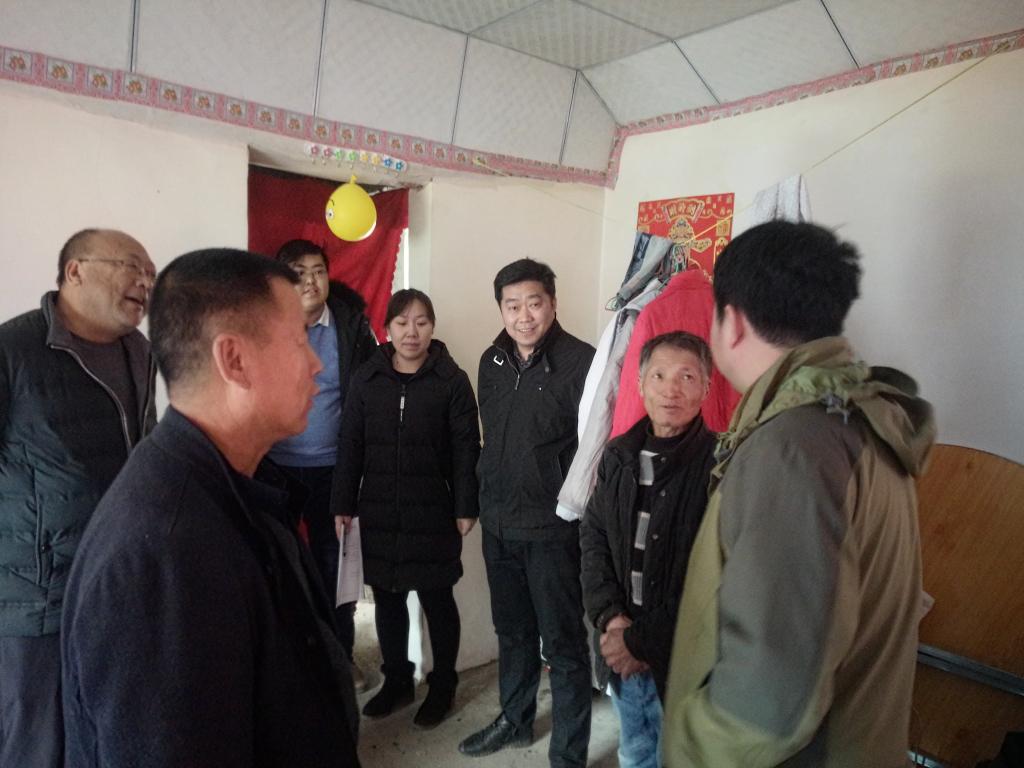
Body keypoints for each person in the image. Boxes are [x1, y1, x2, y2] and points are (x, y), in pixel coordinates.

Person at [61, 249, 360, 767]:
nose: (316, 364)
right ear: (234, 360)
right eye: (297, 341)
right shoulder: (165, 554)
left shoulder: (233, 487)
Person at [663, 221, 936, 767]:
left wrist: (685, 749)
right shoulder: (860, 419)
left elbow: (766, 704)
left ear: (733, 322)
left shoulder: (794, 448)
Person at [0, 228, 157, 768]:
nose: (145, 282)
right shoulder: (13, 350)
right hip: (36, 598)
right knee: (35, 742)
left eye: (151, 274)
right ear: (75, 271)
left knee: (101, 731)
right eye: (132, 266)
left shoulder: (139, 351)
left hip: (114, 583)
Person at [459, 258, 596, 767]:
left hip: (551, 528)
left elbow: (594, 448)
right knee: (512, 632)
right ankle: (514, 722)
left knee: (562, 644)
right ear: (501, 309)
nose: (523, 316)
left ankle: (569, 754)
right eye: (512, 305)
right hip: (498, 524)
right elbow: (491, 438)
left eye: (534, 303)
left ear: (553, 303)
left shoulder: (582, 362)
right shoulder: (491, 361)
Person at [333, 289, 480, 728]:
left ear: (432, 327)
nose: (411, 332)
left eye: (421, 322)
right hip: (378, 510)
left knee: (437, 599)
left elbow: (466, 449)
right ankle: (397, 680)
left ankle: (443, 685)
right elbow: (350, 444)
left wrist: (466, 506)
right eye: (402, 322)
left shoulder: (451, 380)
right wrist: (342, 503)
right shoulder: (367, 378)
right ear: (387, 329)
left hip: (433, 512)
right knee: (388, 599)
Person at [580, 331, 717, 768]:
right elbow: (594, 536)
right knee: (635, 750)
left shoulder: (719, 466)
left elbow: (717, 580)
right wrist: (611, 619)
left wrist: (638, 642)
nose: (670, 389)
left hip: (683, 663)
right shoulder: (619, 455)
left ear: (706, 388)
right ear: (640, 384)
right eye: (658, 375)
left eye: (686, 377)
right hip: (620, 647)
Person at [269, 239, 376, 663]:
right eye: (299, 273)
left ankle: (339, 660)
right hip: (275, 469)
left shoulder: (351, 328)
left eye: (318, 271)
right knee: (277, 564)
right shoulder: (265, 324)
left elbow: (369, 396)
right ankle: (290, 660)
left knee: (336, 570)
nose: (311, 281)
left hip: (335, 470)